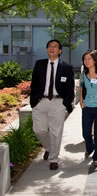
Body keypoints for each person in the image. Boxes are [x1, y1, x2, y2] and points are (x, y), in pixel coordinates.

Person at [30, 39, 74, 170]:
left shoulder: (66, 67)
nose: (52, 48)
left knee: (56, 132)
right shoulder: (39, 64)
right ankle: (49, 148)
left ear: (60, 51)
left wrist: (65, 103)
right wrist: (34, 101)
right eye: (49, 46)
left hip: (58, 102)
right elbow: (34, 83)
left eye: (55, 46)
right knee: (39, 130)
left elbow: (70, 87)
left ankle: (53, 158)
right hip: (40, 101)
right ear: (47, 49)